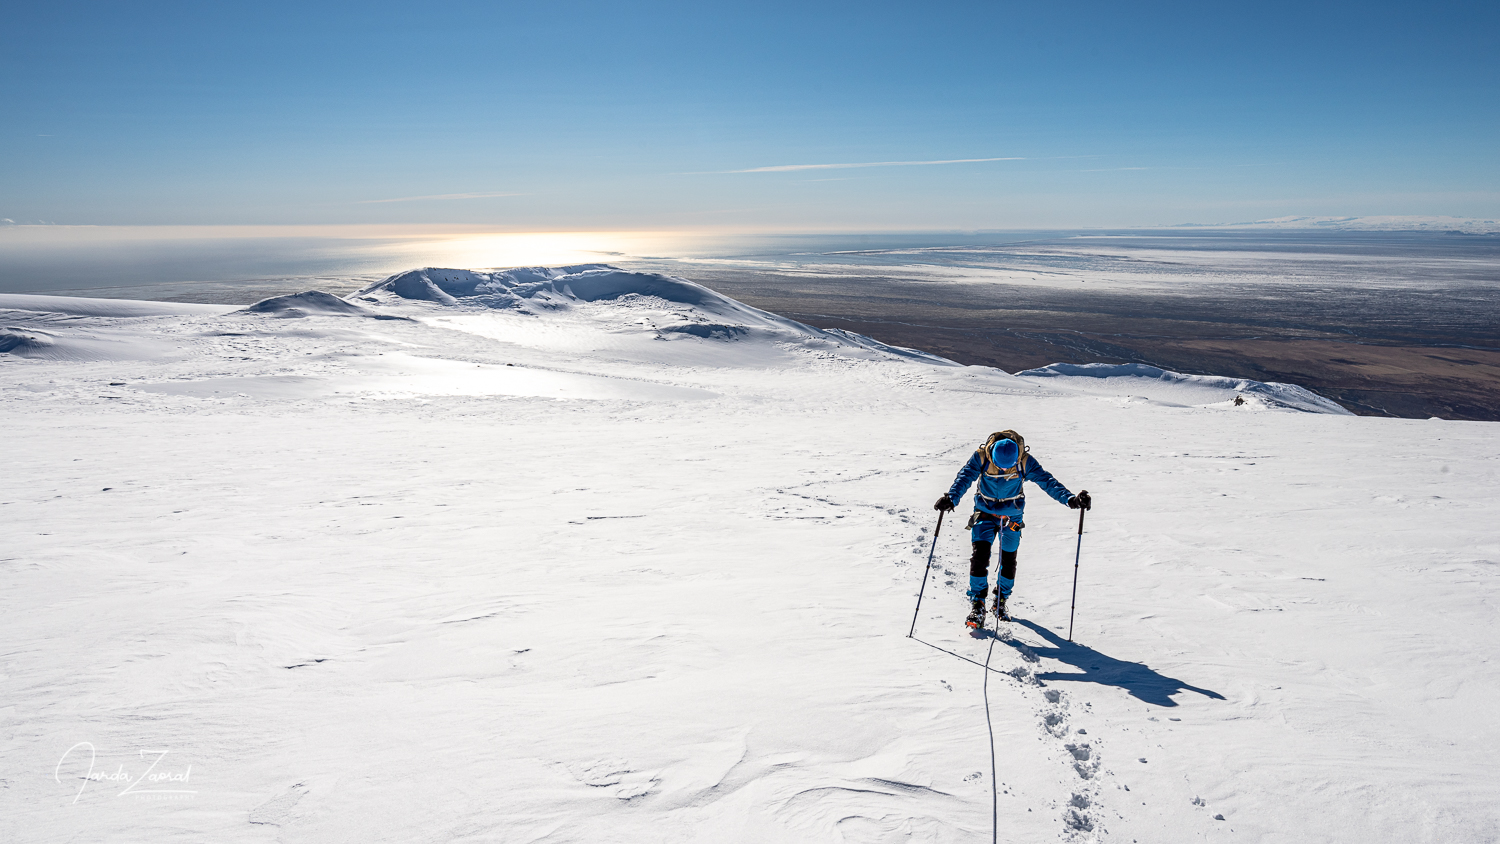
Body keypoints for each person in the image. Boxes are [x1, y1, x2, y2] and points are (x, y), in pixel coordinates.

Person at [934, 430, 1090, 628]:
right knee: (980, 556)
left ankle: (1001, 600)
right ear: (992, 454)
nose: (1002, 470)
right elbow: (965, 477)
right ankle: (978, 603)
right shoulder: (981, 457)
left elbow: (1047, 481)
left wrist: (1071, 499)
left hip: (1012, 518)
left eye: (1007, 468)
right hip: (984, 513)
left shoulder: (1024, 461)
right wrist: (951, 498)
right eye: (999, 466)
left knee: (1009, 560)